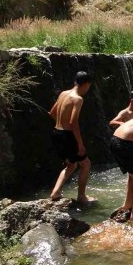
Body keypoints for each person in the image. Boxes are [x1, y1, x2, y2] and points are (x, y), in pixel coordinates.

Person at [48, 71, 95, 204]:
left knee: (71, 165)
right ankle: (81, 196)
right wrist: (80, 144)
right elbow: (73, 123)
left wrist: (60, 123)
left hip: (56, 133)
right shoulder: (78, 99)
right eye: (88, 86)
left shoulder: (63, 93)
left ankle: (55, 192)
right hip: (67, 135)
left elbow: (52, 113)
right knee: (86, 164)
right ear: (86, 84)